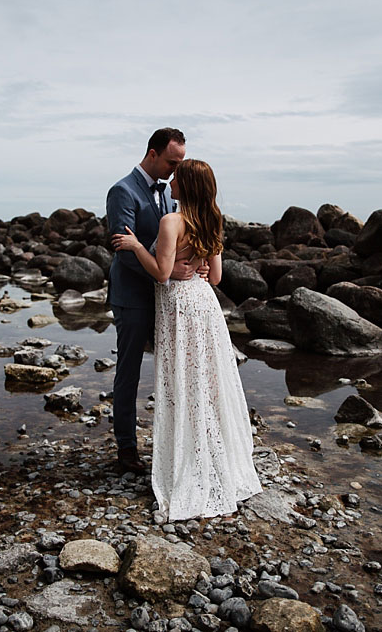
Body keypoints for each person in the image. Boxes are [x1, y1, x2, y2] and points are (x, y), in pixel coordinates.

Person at [111, 159, 263, 521]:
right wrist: (201, 266)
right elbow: (216, 277)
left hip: (178, 308)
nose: (171, 181)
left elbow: (162, 274)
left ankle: (189, 462)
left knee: (182, 383)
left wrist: (134, 246)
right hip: (205, 307)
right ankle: (212, 456)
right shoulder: (213, 220)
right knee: (206, 384)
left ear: (188, 186)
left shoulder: (171, 221)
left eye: (177, 177)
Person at [105, 128, 207, 474]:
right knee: (129, 374)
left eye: (179, 164)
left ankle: (176, 449)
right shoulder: (122, 191)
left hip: (167, 299)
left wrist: (195, 266)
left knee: (173, 372)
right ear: (152, 154)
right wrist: (164, 272)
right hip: (133, 297)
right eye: (171, 162)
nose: (175, 170)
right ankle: (127, 450)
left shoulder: (169, 194)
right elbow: (123, 249)